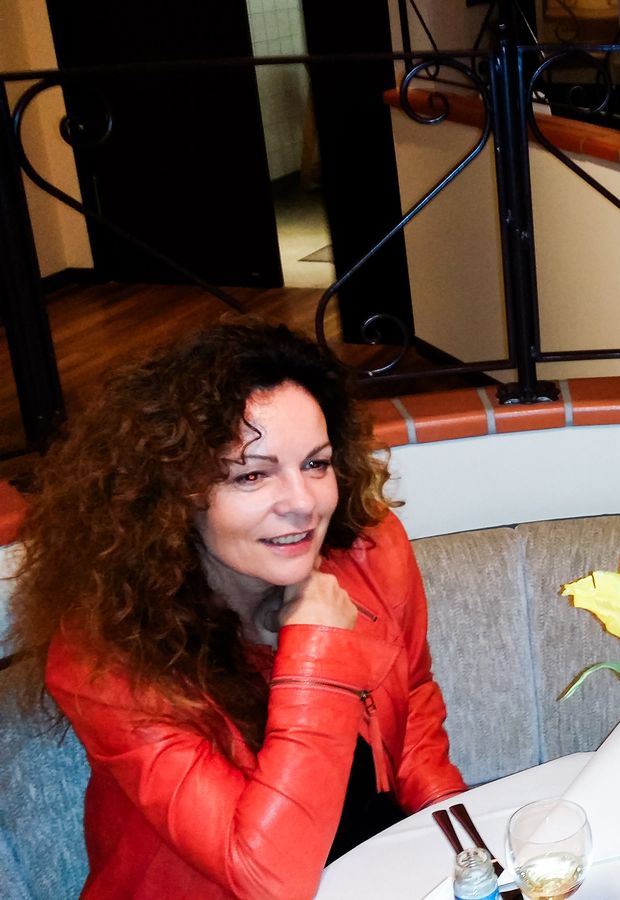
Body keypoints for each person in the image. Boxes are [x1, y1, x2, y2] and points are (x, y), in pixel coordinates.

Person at [5, 322, 467, 900]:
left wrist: (461, 844)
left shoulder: (370, 550)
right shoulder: (104, 659)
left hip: (380, 871)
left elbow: (413, 701)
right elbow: (268, 874)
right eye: (251, 474)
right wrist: (316, 649)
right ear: (175, 497)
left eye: (316, 464)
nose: (302, 503)